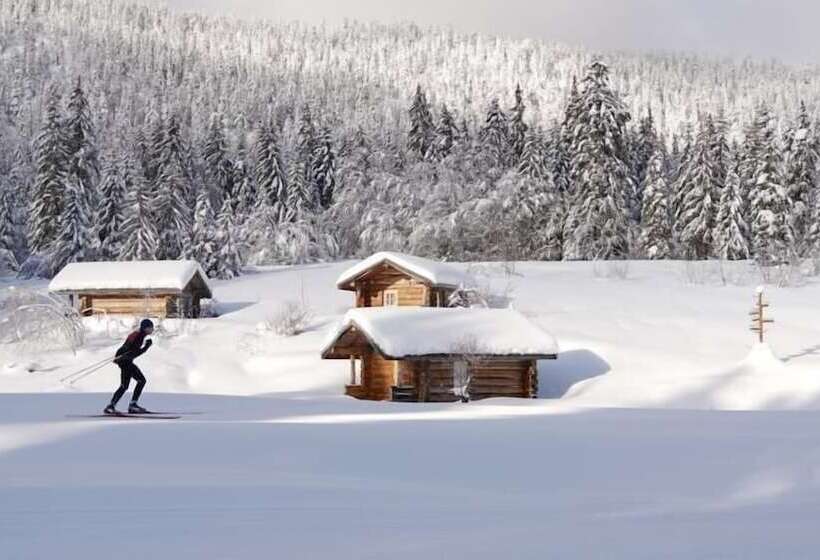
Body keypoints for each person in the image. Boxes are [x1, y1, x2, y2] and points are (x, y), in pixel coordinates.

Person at [104, 319, 154, 415]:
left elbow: (131, 350)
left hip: (125, 360)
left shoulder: (139, 334)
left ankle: (112, 406)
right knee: (140, 381)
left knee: (126, 385)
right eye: (150, 328)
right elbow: (133, 352)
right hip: (125, 361)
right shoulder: (138, 336)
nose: (152, 329)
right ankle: (131, 405)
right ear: (145, 328)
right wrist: (146, 347)